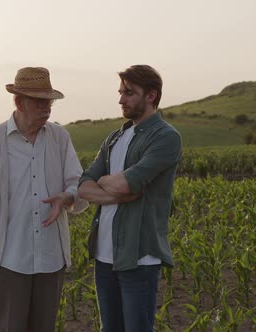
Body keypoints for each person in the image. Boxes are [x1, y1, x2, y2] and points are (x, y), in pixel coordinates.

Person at [0, 66, 88, 332]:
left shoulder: (59, 137)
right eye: (40, 101)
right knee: (7, 326)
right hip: (9, 255)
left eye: (49, 101)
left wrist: (67, 196)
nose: (47, 108)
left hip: (50, 255)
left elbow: (78, 182)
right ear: (19, 101)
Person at [77, 64, 182, 331]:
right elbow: (83, 187)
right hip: (104, 255)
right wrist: (113, 189)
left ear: (151, 96)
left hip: (139, 256)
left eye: (129, 93)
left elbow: (125, 183)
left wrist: (108, 183)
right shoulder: (115, 138)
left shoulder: (166, 137)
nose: (121, 99)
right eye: (121, 92)